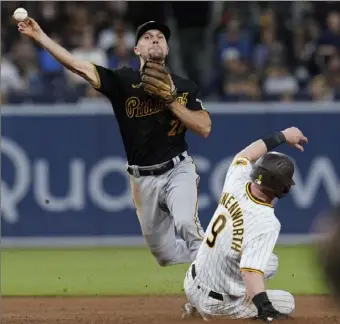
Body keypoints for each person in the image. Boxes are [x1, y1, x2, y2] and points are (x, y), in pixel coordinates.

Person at [17, 18, 211, 266]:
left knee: (187, 225)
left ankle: (211, 292)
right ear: (137, 50)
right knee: (165, 255)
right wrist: (40, 36)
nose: (154, 39)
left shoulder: (184, 88)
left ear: (167, 49)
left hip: (178, 169)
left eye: (160, 37)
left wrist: (171, 101)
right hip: (142, 179)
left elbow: (204, 127)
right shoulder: (122, 81)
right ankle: (217, 254)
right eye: (147, 36)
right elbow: (77, 66)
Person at [182, 127, 308, 322]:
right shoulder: (267, 222)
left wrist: (282, 136)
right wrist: (264, 309)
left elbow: (246, 154)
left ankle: (196, 305)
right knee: (286, 302)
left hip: (191, 282)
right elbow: (249, 271)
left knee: (270, 263)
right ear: (282, 188)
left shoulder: (237, 179)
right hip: (217, 305)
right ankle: (211, 311)